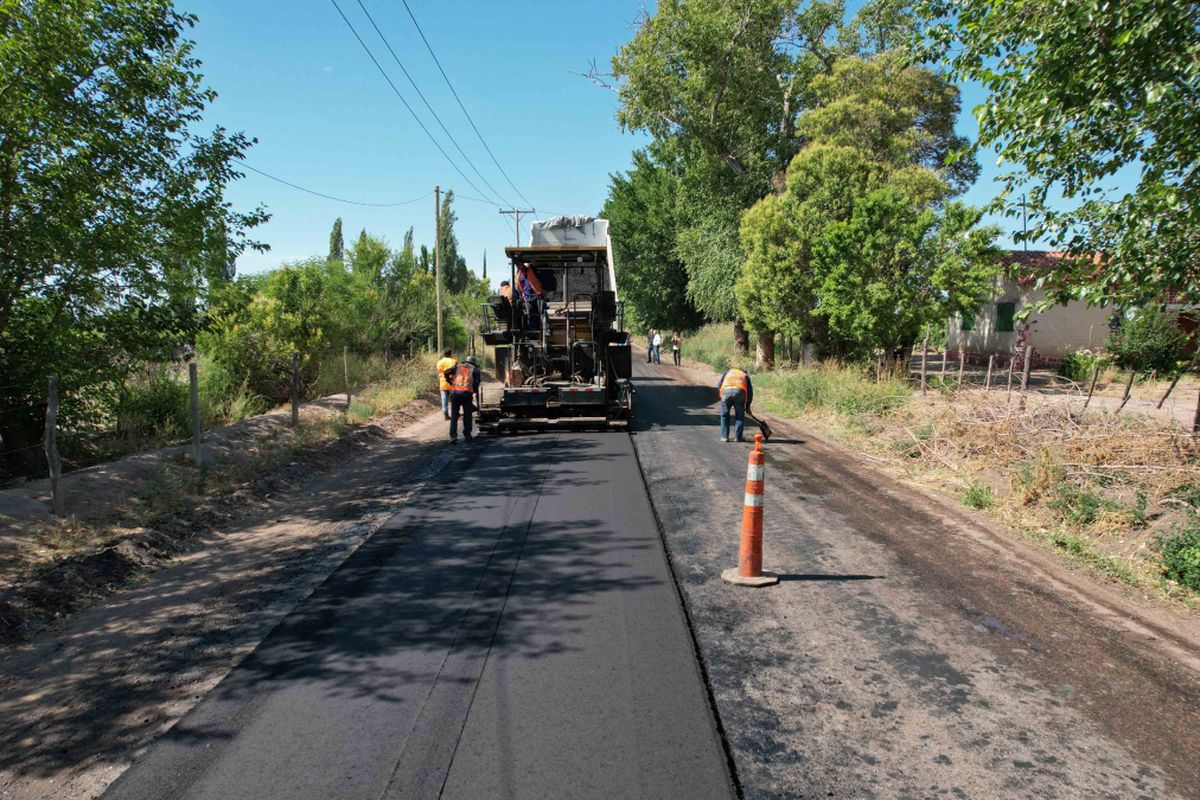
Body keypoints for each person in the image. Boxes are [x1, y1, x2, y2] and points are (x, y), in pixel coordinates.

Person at [444, 355, 481, 442]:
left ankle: (453, 436)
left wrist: (450, 382)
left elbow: (446, 372)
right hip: (467, 395)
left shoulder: (457, 367)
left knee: (454, 415)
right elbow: (476, 383)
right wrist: (474, 391)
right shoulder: (475, 370)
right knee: (467, 415)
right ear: (473, 363)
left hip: (455, 394)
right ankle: (467, 435)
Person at [716, 366, 753, 442]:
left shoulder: (727, 373)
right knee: (739, 416)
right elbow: (750, 393)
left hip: (726, 392)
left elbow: (719, 385)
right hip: (739, 392)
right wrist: (748, 406)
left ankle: (724, 437)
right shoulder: (744, 375)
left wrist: (723, 399)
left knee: (724, 415)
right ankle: (738, 437)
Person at [515, 263, 545, 331]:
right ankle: (533, 333)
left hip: (538, 296)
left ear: (523, 264)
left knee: (541, 314)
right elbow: (520, 288)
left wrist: (542, 290)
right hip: (528, 298)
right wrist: (522, 297)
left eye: (520, 265)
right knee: (530, 316)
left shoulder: (532, 270)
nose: (519, 267)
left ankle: (543, 331)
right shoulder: (519, 276)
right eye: (517, 265)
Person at [435, 348, 457, 420]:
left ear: (444, 354)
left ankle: (446, 415)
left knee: (444, 401)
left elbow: (439, 373)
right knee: (454, 400)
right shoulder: (454, 361)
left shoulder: (439, 362)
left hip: (443, 384)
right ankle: (455, 414)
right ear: (451, 354)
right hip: (452, 384)